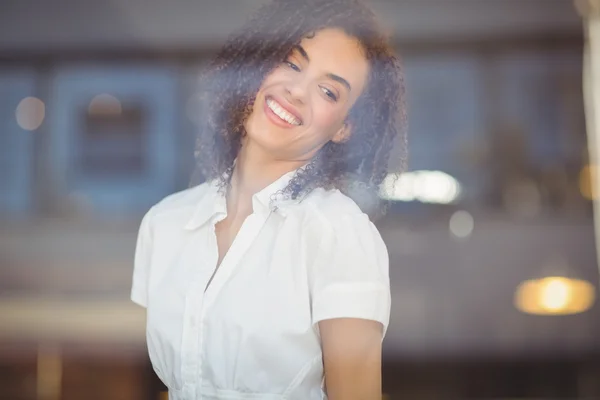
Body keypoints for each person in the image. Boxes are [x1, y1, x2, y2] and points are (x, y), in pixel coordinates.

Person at [131, 0, 406, 398]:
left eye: (328, 91)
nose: (296, 91)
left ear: (344, 127)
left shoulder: (338, 235)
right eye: (292, 64)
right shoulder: (165, 224)